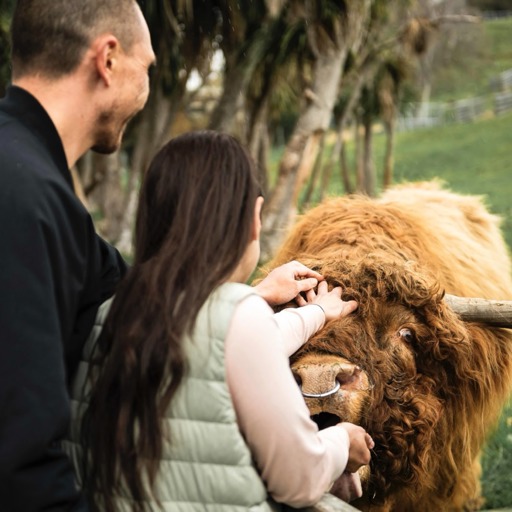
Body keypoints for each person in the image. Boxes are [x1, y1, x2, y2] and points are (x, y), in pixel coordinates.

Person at [0, 3, 352, 510]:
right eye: (147, 66)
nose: (147, 86)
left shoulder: (37, 188)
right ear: (108, 60)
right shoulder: (27, 201)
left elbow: (147, 309)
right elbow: (20, 447)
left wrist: (251, 300)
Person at [64, 131, 374, 511]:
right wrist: (342, 441)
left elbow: (219, 342)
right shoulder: (239, 318)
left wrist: (315, 313)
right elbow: (300, 479)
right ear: (253, 220)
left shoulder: (108, 312)